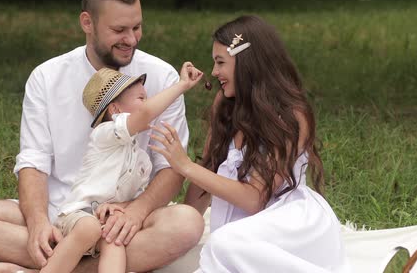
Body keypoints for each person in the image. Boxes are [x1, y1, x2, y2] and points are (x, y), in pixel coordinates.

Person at [0, 0, 204, 273]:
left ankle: (51, 268)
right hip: (61, 212)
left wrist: (137, 212)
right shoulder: (47, 77)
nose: (131, 39)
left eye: (137, 27)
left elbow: (171, 166)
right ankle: (85, 263)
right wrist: (38, 223)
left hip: (119, 219)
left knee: (187, 223)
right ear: (87, 22)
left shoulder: (161, 75)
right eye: (119, 30)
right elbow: (34, 161)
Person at [149, 15, 351, 272]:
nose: (214, 72)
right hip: (242, 230)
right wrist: (183, 226)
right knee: (220, 244)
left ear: (247, 63)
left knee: (223, 243)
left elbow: (255, 198)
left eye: (221, 62)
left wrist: (185, 165)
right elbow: (207, 172)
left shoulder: (292, 115)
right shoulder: (224, 103)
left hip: (288, 223)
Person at [43, 63, 203, 273]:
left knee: (115, 238)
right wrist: (181, 85)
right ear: (115, 110)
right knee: (89, 228)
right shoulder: (104, 135)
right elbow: (146, 113)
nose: (147, 104)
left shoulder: (141, 159)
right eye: (141, 99)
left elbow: (136, 197)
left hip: (103, 220)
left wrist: (120, 207)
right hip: (76, 217)